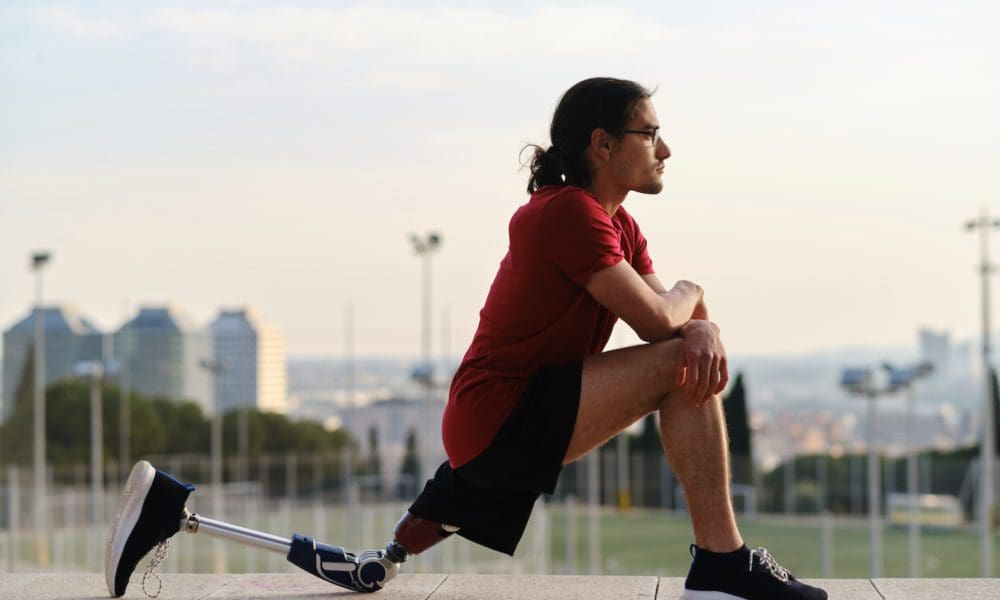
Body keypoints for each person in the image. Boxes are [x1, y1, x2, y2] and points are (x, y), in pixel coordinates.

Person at [106, 77, 828, 600]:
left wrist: (398, 549)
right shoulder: (568, 213)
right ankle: (722, 565)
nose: (665, 148)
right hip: (504, 411)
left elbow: (665, 320)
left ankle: (168, 508)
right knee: (680, 361)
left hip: (514, 412)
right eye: (649, 133)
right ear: (603, 145)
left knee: (686, 362)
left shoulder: (619, 224)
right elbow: (660, 325)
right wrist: (699, 305)